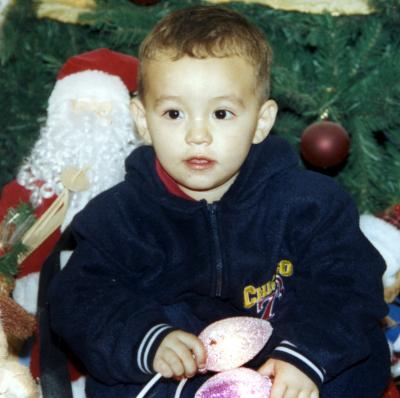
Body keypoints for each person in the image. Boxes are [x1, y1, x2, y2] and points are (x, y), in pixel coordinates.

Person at [48, 6, 390, 398]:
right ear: (143, 120)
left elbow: (349, 283)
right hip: (182, 368)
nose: (197, 135)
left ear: (260, 122)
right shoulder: (118, 217)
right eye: (174, 113)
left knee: (358, 358)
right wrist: (150, 340)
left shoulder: (310, 203)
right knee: (121, 379)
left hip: (287, 356)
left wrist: (304, 356)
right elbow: (79, 299)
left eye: (221, 113)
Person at [0, 48, 141, 396]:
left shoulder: (133, 189)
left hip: (108, 313)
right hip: (33, 316)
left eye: (103, 108)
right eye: (78, 106)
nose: (90, 118)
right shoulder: (29, 187)